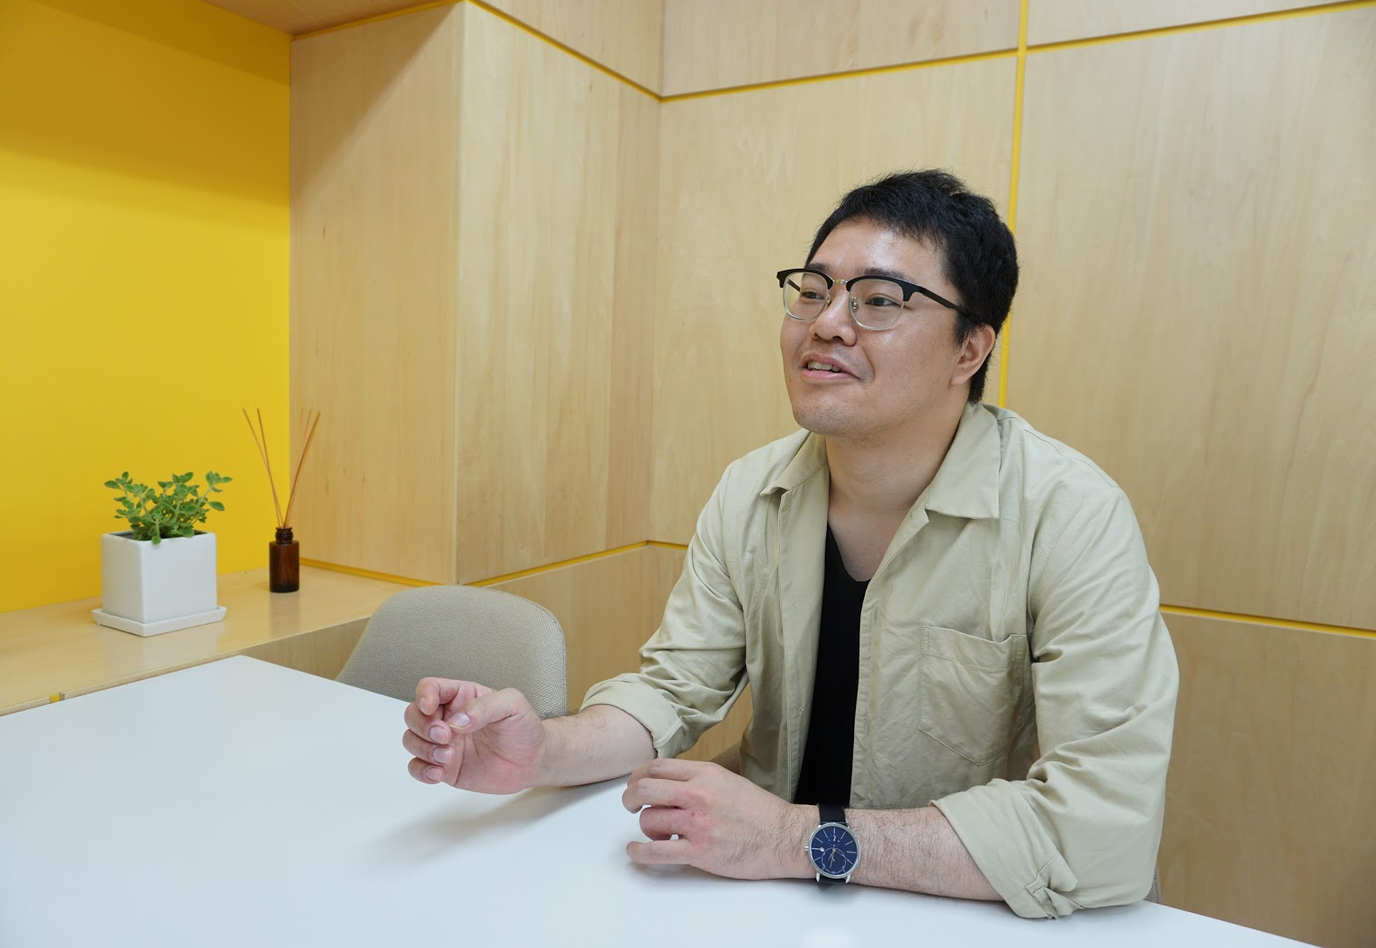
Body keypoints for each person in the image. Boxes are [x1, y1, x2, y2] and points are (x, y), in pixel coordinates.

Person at [402, 169, 1179, 919]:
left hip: (954, 914)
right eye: (813, 291)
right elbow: (673, 690)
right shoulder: (752, 490)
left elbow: (1103, 832)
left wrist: (794, 838)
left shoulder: (1070, 517)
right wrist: (543, 752)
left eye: (879, 300)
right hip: (763, 903)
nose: (827, 323)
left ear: (969, 351)